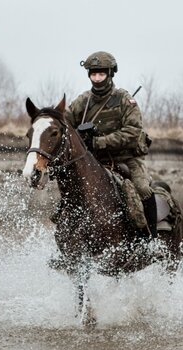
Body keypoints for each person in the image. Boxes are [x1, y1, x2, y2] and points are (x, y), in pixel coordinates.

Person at [55, 51, 157, 237]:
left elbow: (132, 133)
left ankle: (151, 238)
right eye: (93, 74)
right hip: (94, 160)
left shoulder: (125, 100)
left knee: (142, 189)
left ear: (110, 74)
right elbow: (64, 124)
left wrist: (98, 142)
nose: (97, 78)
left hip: (126, 158)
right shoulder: (83, 101)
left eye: (101, 74)